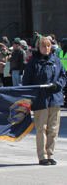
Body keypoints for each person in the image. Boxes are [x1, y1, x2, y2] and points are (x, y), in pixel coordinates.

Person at [23, 36, 67, 165]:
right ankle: (42, 156)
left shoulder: (56, 60)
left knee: (53, 129)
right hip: (40, 100)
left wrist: (58, 85)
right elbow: (27, 83)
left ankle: (50, 154)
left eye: (48, 46)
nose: (46, 48)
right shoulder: (33, 63)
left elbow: (63, 76)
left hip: (55, 98)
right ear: (39, 47)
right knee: (41, 129)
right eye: (44, 46)